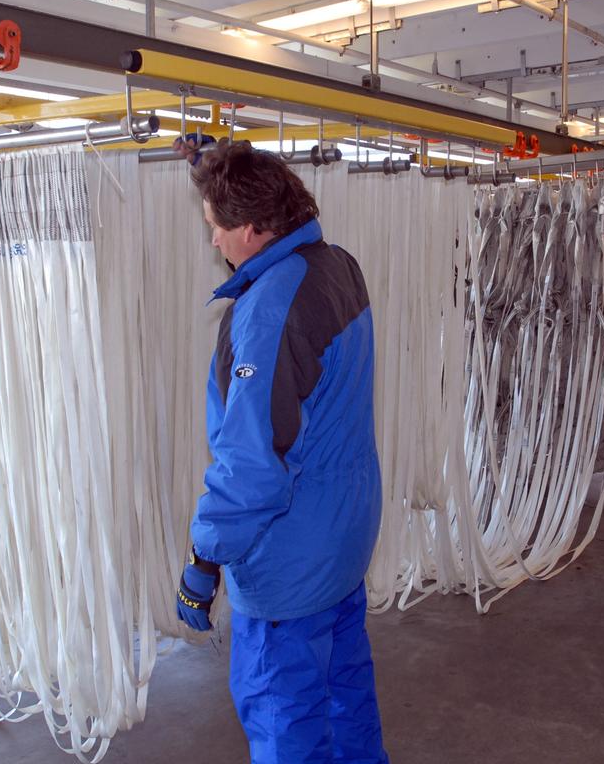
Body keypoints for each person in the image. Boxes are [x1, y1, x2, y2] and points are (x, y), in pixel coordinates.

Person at [173, 137, 389, 764]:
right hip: (344, 536)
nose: (214, 241)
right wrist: (219, 172)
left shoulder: (269, 310)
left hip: (290, 557)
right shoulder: (336, 265)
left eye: (217, 227)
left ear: (253, 227)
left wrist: (204, 560)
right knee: (345, 692)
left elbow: (253, 464)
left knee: (283, 713)